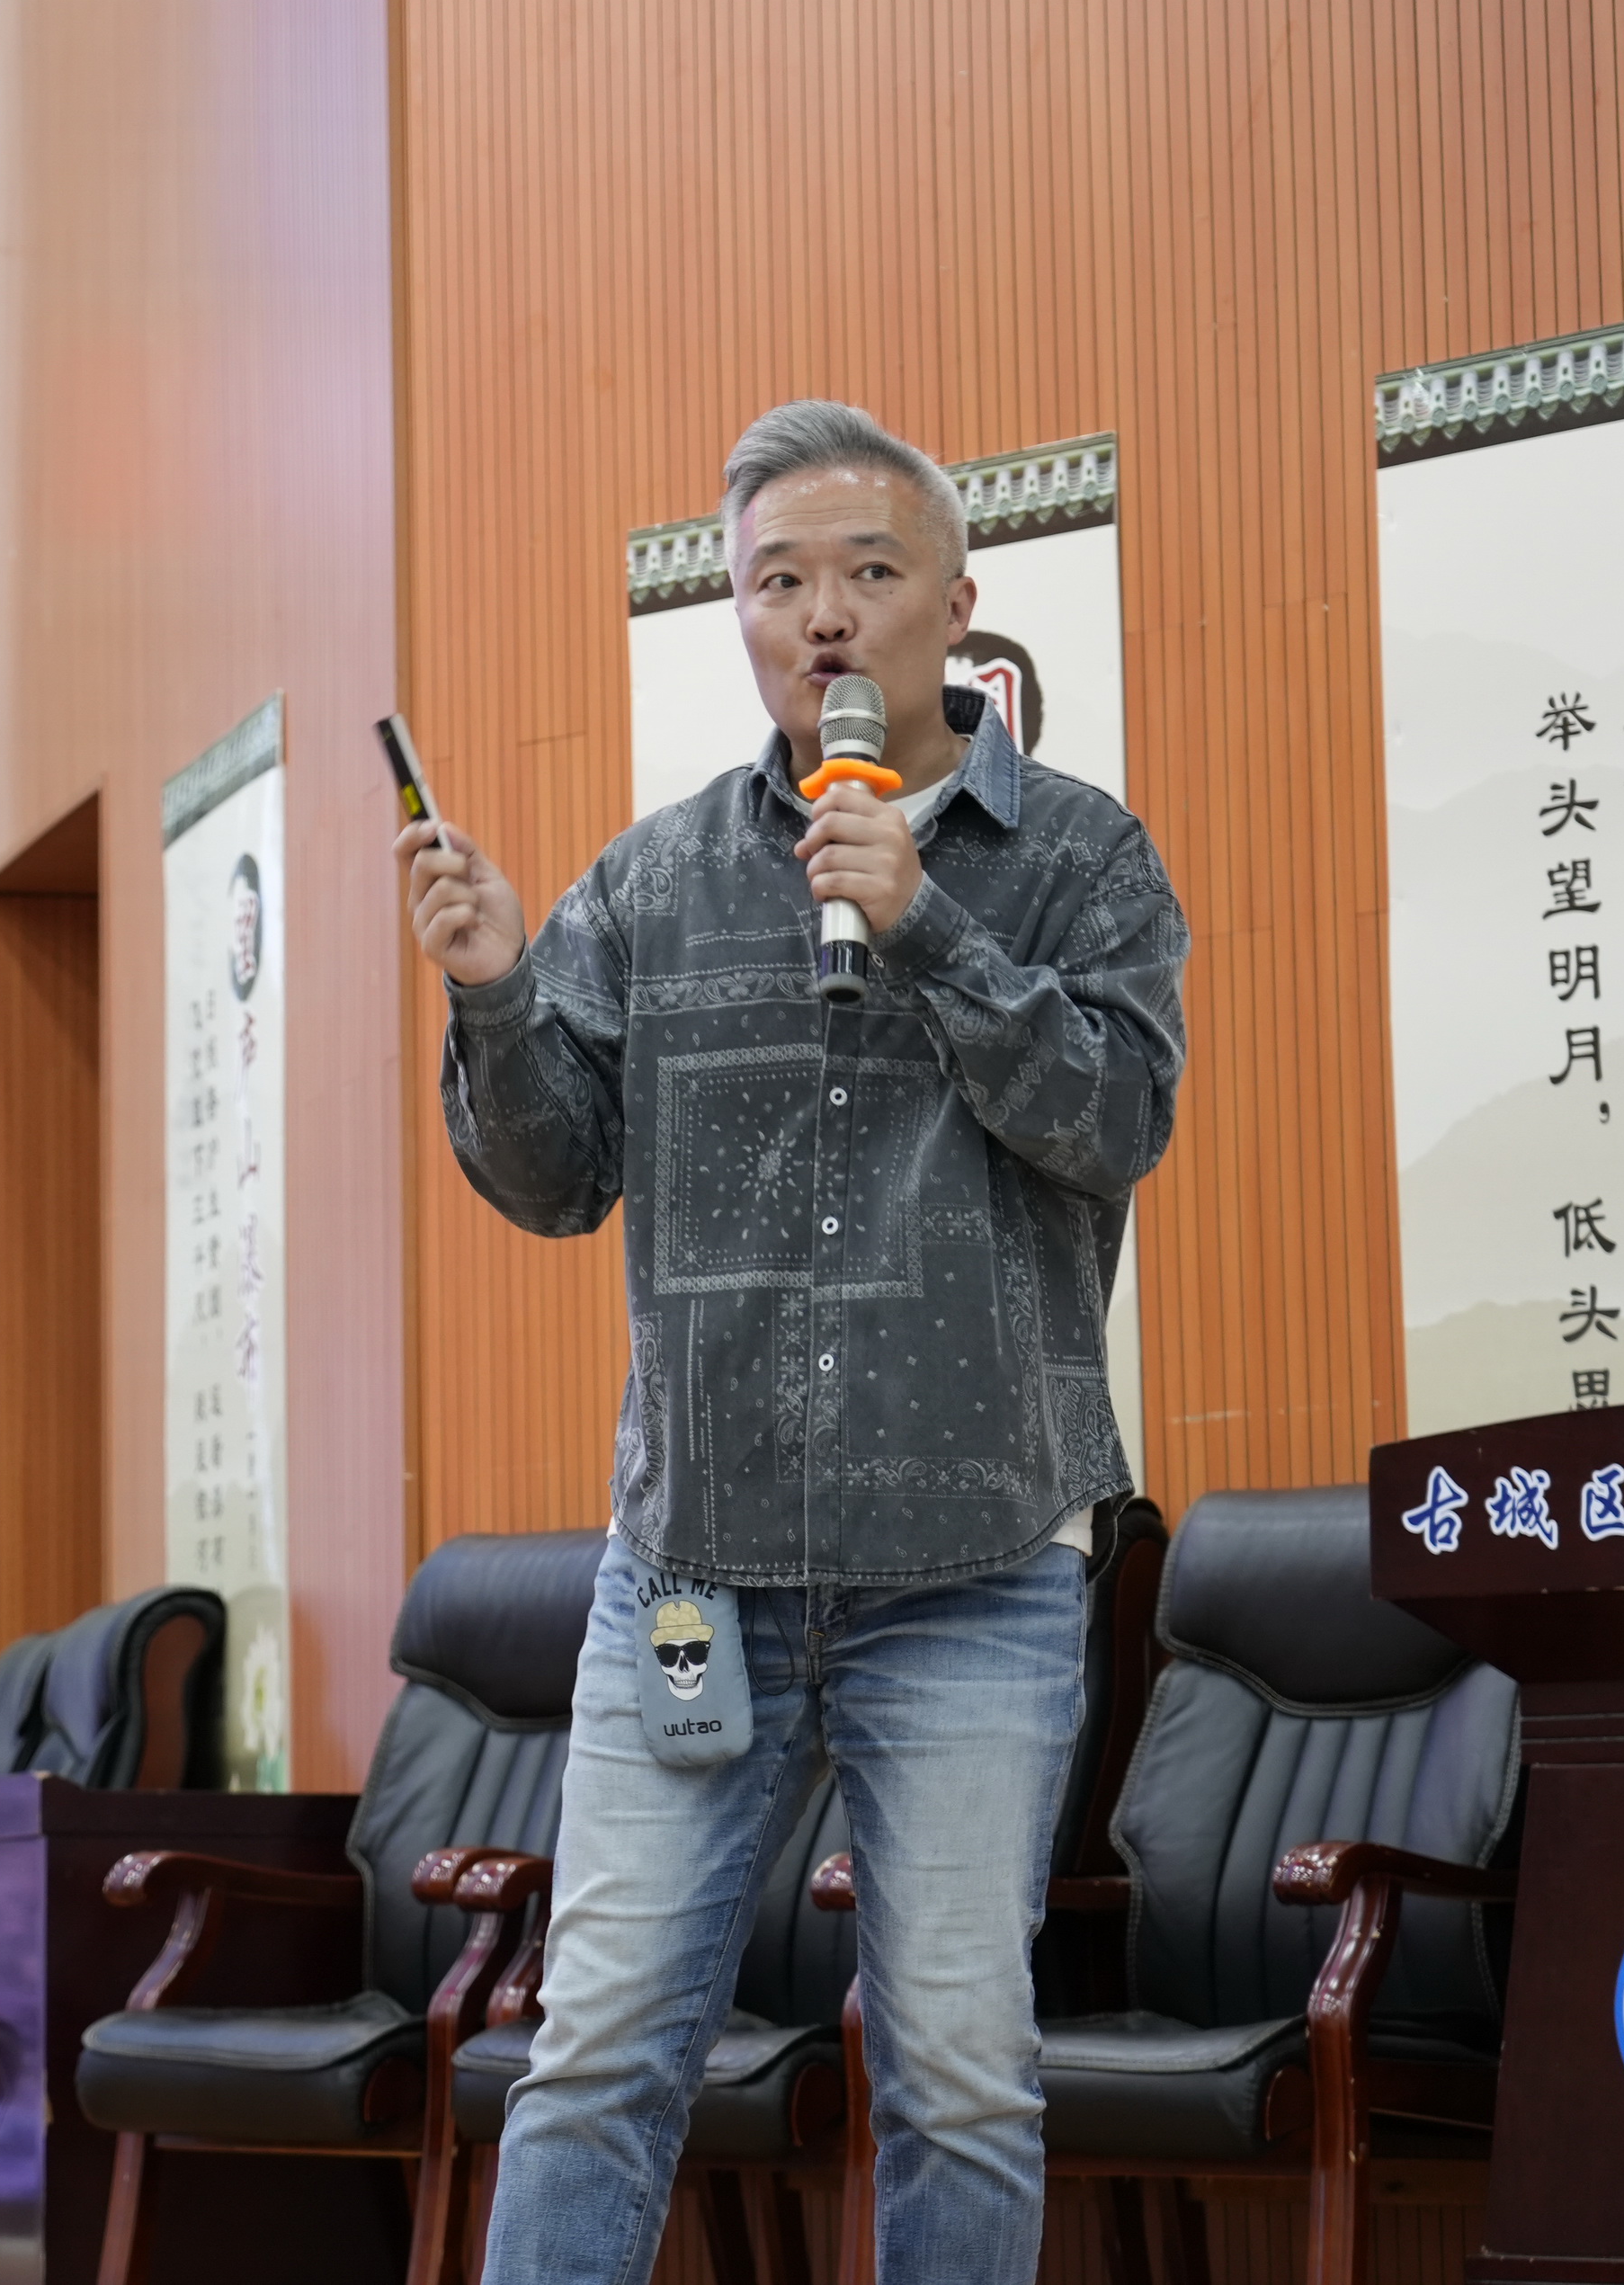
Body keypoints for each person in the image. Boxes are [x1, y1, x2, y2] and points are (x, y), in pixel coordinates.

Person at [394, 400, 1188, 2285]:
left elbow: (1115, 1120)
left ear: (954, 606)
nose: (818, 615)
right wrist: (494, 993)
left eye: (865, 571)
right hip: (694, 1566)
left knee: (960, 2074)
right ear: (741, 618)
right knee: (594, 2051)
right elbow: (552, 1181)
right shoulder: (654, 877)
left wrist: (926, 930)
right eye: (775, 582)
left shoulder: (1077, 858)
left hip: (975, 1564)